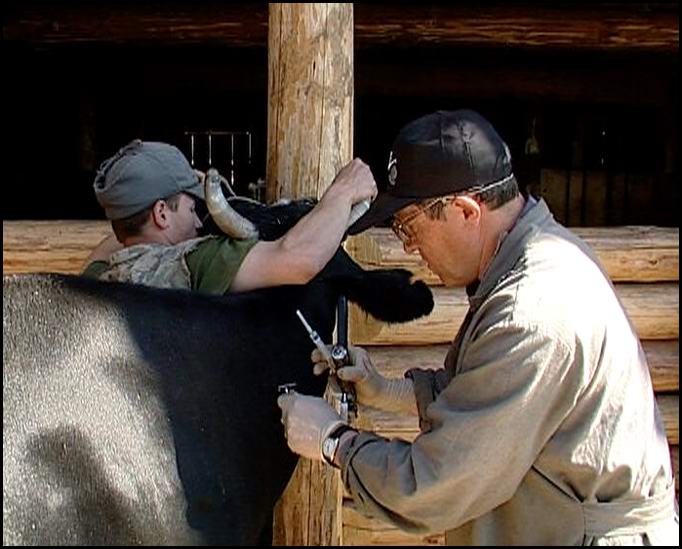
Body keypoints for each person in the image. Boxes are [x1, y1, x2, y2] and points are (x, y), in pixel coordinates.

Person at [278, 109, 678, 545]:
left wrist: (332, 440)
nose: (409, 248)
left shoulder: (532, 309)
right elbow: (490, 397)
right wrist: (388, 390)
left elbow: (434, 486)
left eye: (409, 226)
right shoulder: (533, 259)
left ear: (466, 211)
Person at [82, 139, 376, 293]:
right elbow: (300, 260)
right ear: (161, 213)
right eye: (192, 209)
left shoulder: (96, 277)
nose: (199, 221)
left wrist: (135, 202)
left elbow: (119, 238)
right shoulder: (193, 261)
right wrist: (343, 191)